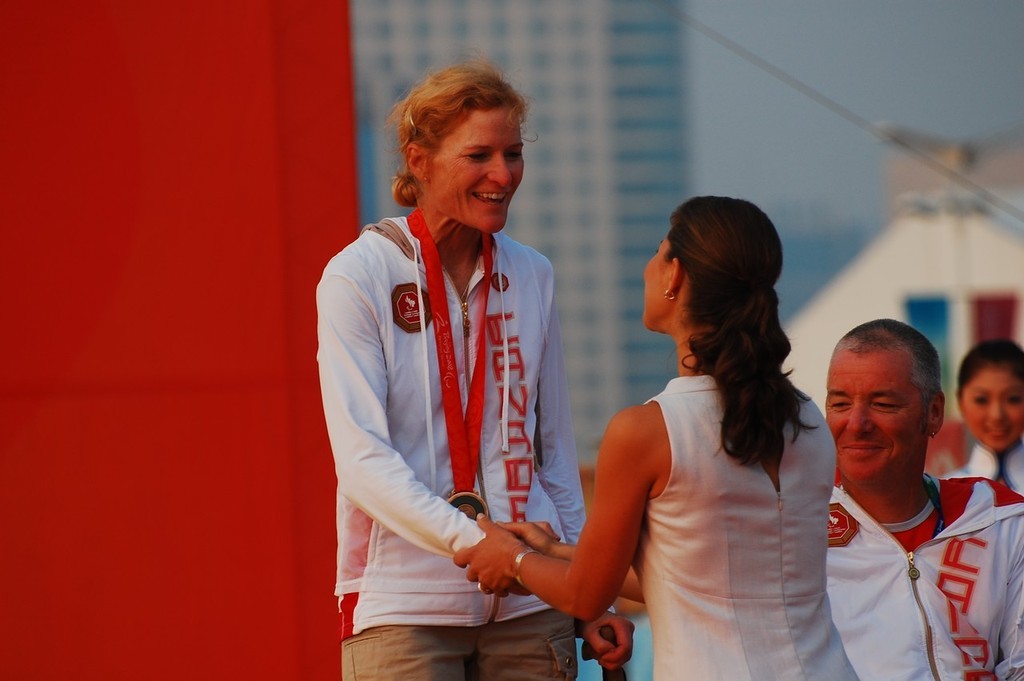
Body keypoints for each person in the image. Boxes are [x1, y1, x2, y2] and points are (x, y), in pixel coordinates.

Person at [315, 60, 632, 680]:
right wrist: (477, 545)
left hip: (531, 606)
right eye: (478, 155)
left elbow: (555, 454)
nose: (503, 175)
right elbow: (361, 461)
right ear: (419, 159)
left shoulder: (533, 274)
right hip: (405, 608)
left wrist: (592, 594)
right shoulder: (359, 275)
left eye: (513, 154)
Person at [455, 196, 858, 680]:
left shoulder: (646, 431)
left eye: (658, 252)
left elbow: (587, 595)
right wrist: (556, 551)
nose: (648, 268)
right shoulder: (808, 421)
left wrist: (514, 559)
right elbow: (702, 579)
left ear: (675, 275)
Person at [824, 319, 1024, 680]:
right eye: (839, 403)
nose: (856, 423)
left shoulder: (1002, 520)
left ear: (934, 411)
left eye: (882, 404)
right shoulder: (792, 529)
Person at [946, 339, 1024, 489]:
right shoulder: (942, 495)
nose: (997, 415)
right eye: (981, 400)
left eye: (1013, 399)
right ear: (961, 401)